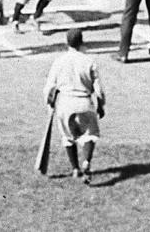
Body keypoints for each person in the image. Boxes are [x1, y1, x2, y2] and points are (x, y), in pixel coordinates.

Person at [42, 28, 106, 184]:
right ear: (82, 42)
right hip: (84, 102)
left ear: (67, 42)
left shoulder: (59, 61)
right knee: (90, 135)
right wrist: (101, 106)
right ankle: (86, 162)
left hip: (65, 103)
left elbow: (49, 87)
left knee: (68, 137)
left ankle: (75, 168)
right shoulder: (89, 61)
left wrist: (49, 103)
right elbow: (99, 90)